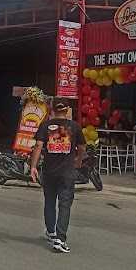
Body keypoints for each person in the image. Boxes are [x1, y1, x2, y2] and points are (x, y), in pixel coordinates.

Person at [31, 97, 86, 254]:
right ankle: (60, 239)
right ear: (67, 110)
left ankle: (51, 232)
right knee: (65, 204)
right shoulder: (74, 127)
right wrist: (78, 160)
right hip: (67, 172)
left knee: (49, 201)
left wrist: (33, 166)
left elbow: (38, 146)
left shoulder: (45, 125)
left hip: (49, 171)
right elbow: (82, 147)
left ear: (53, 110)